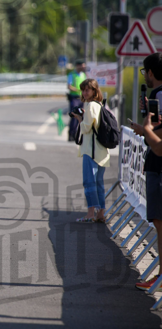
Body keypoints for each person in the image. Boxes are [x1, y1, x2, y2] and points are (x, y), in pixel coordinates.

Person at [127, 52, 162, 290]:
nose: (145, 77)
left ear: (150, 72)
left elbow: (159, 136)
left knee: (160, 223)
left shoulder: (159, 94)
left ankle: (161, 278)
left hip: (158, 166)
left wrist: (144, 130)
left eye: (145, 72)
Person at [71, 78, 109, 223]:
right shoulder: (100, 104)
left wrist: (79, 118)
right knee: (98, 183)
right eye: (83, 90)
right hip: (101, 151)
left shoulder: (91, 105)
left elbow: (86, 128)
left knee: (89, 182)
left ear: (94, 91)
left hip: (91, 151)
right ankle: (101, 213)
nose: (84, 93)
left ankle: (90, 213)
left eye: (87, 90)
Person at [67, 60, 87, 142]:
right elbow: (69, 86)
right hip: (74, 97)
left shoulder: (83, 75)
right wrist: (78, 90)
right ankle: (71, 134)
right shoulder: (72, 74)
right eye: (82, 65)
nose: (83, 67)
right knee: (74, 115)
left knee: (81, 116)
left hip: (82, 98)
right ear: (78, 66)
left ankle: (77, 134)